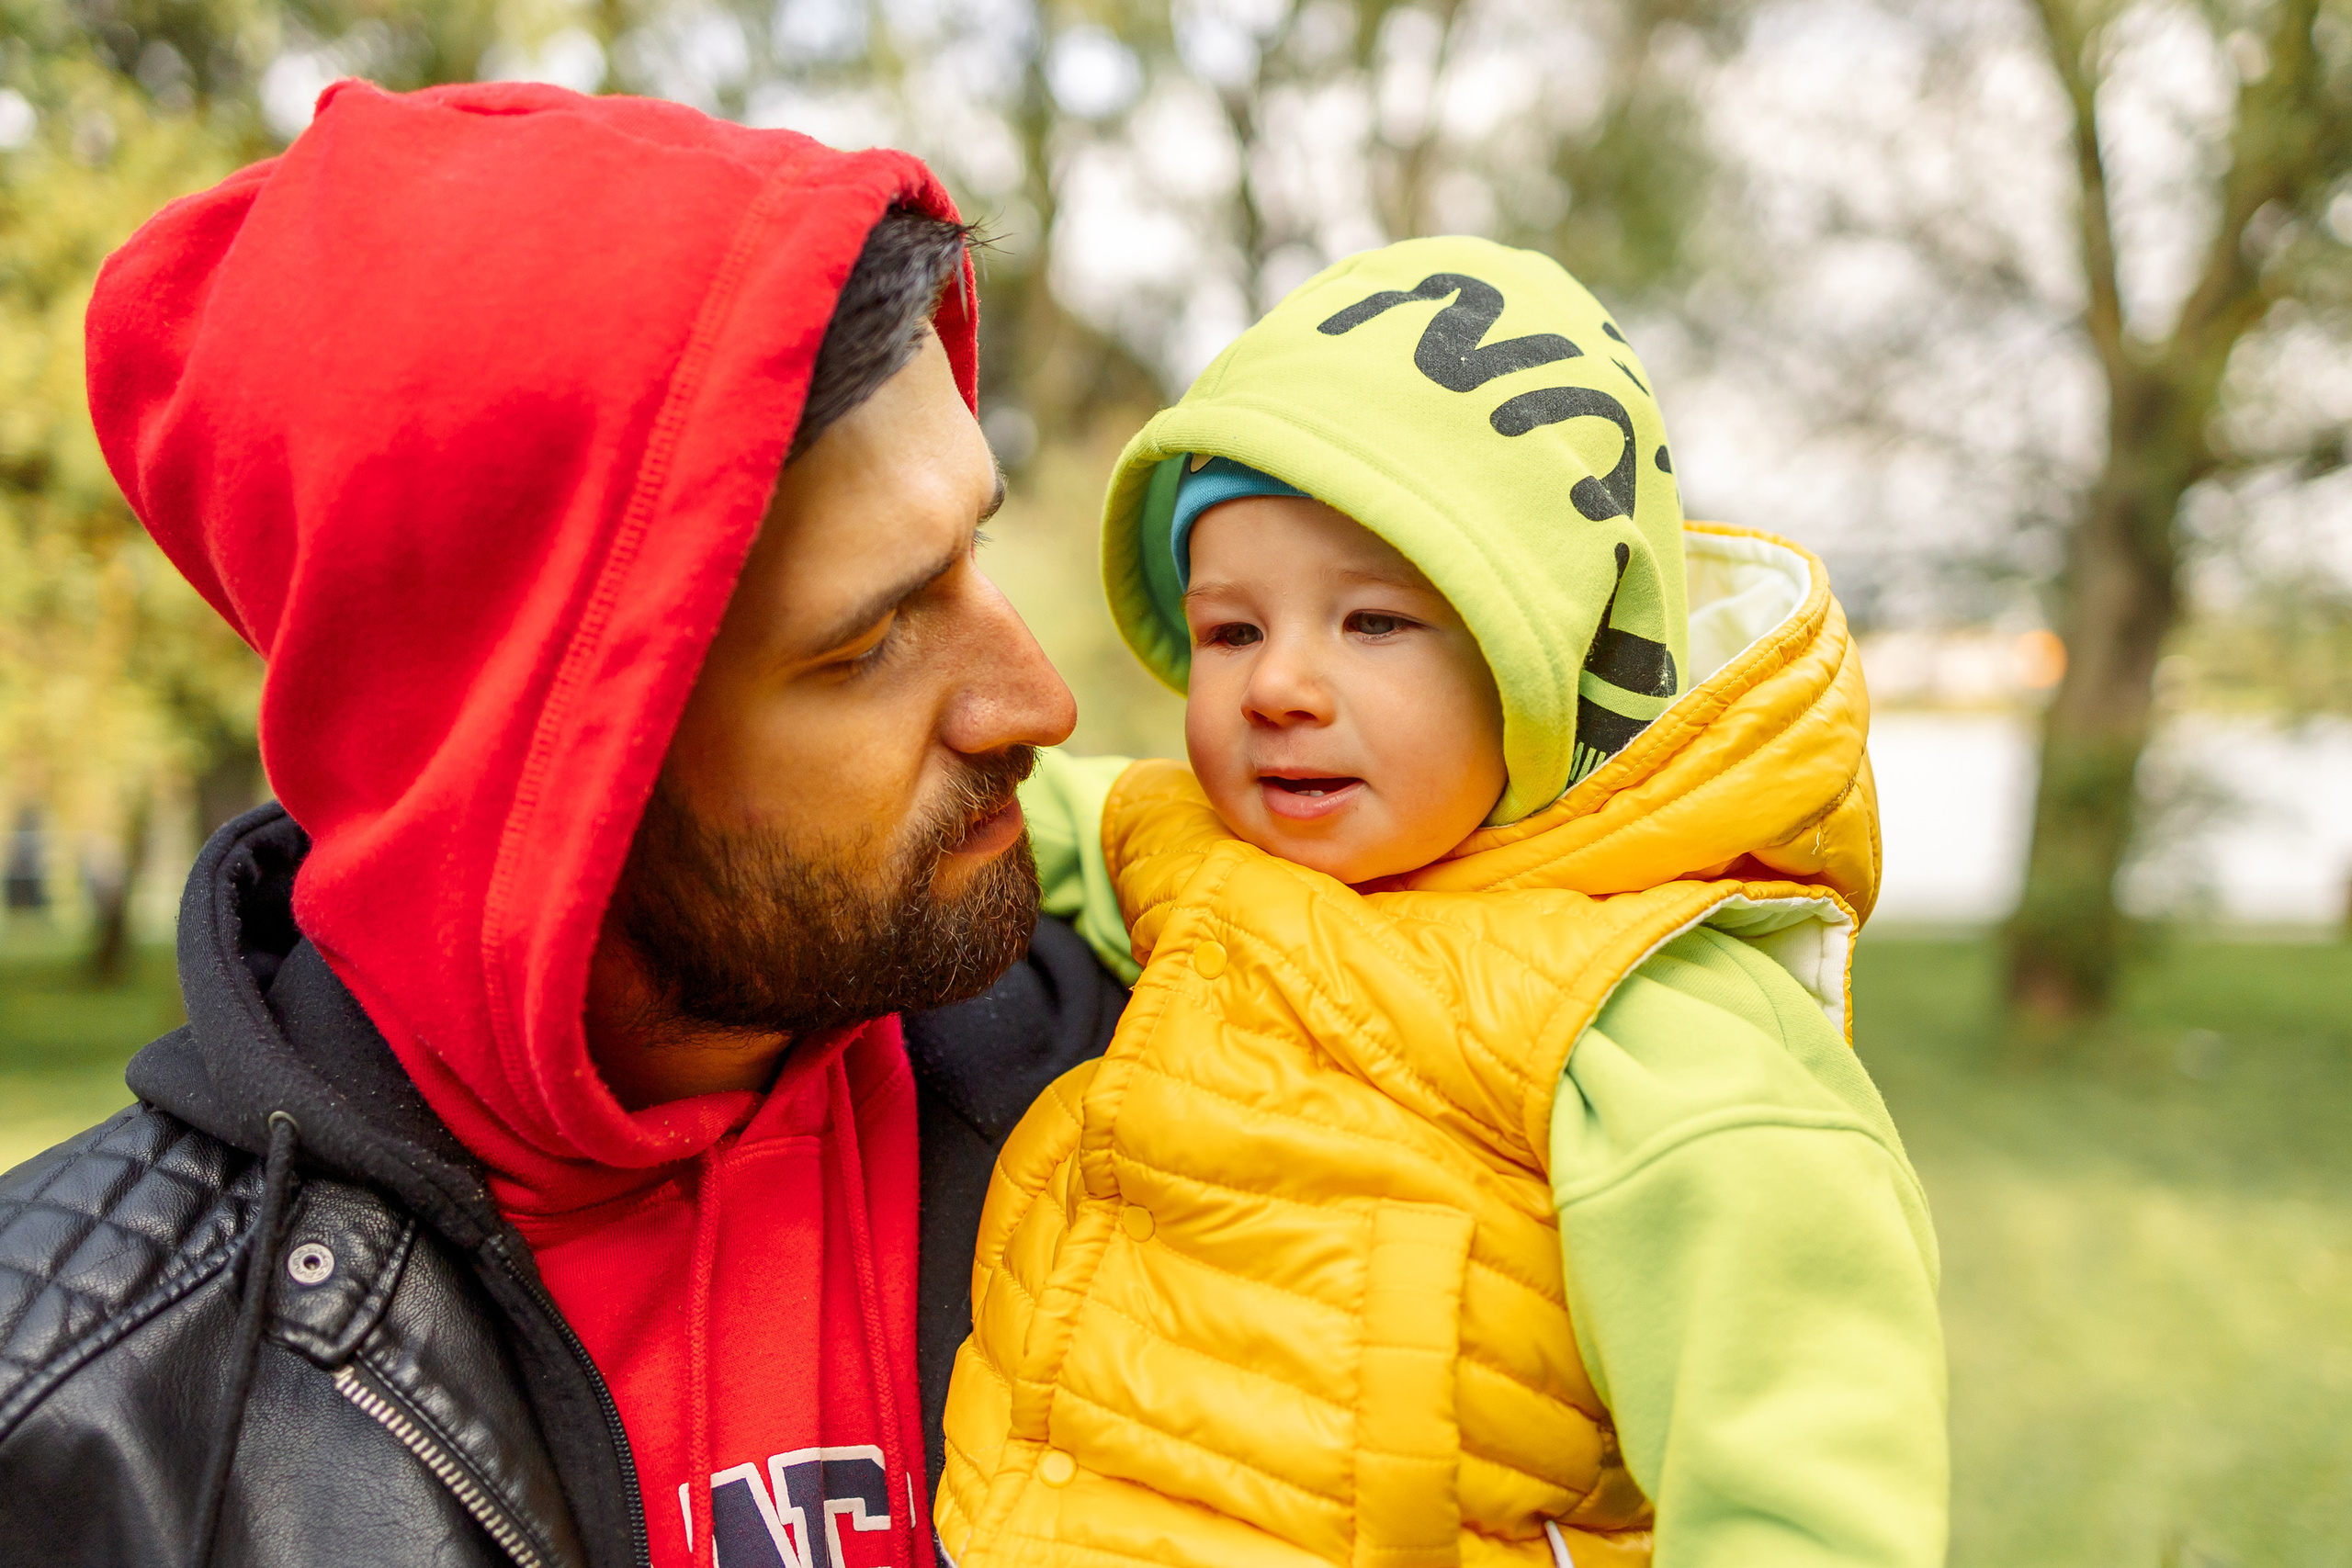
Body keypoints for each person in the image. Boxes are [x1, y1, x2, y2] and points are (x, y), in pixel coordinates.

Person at [0, 81, 1131, 1568]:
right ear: (534, 776)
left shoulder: (1170, 1100)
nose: (1036, 704)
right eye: (865, 644)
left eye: (971, 552)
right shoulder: (89, 1422)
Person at [933, 237, 1949, 1568]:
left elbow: (1803, 1464)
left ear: (1553, 656)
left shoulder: (1646, 1005)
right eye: (1232, 628)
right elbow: (988, 820)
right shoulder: (1188, 846)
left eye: (1375, 623)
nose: (1279, 685)